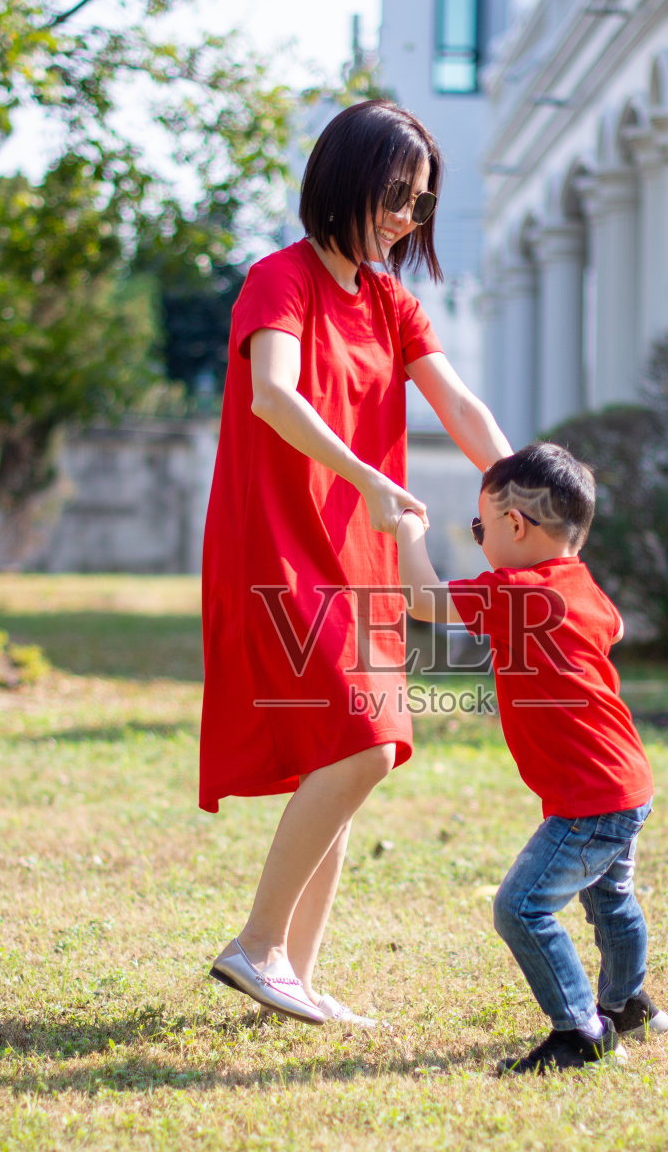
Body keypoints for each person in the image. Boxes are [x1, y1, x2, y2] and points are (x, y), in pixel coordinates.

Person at [202, 101, 511, 1026]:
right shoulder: (279, 280)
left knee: (340, 755)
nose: (404, 219)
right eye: (393, 195)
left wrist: (526, 491)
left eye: (418, 205)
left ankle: (290, 973)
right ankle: (256, 947)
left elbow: (457, 405)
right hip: (281, 549)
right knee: (370, 741)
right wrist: (371, 477)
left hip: (361, 554)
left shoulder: (390, 301)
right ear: (342, 181)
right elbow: (272, 395)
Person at [395, 442, 668, 1074]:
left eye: (479, 527)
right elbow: (614, 630)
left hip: (589, 799)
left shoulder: (516, 592)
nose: (481, 540)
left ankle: (582, 1032)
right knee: (612, 900)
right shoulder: (584, 588)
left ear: (514, 525)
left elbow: (422, 600)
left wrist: (409, 533)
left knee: (520, 906)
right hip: (626, 781)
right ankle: (628, 1004)